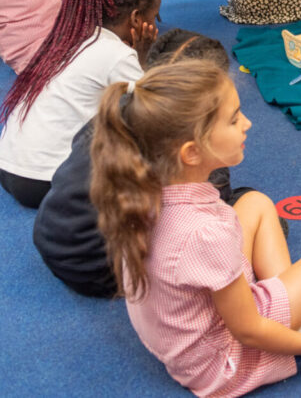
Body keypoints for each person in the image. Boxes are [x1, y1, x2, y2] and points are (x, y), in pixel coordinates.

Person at [91, 61, 301, 396]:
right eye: (234, 119)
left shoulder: (139, 192)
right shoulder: (205, 232)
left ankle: (295, 306)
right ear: (192, 152)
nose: (248, 123)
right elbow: (248, 331)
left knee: (256, 203)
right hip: (221, 361)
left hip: (180, 339)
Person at [33, 29, 253, 298]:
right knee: (248, 212)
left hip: (52, 242)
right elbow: (207, 216)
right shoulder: (185, 145)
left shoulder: (117, 111)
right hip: (105, 270)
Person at [0, 0, 159, 208]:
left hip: (8, 168)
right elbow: (152, 105)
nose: (155, 25)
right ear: (135, 19)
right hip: (50, 182)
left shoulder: (65, 38)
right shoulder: (116, 53)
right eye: (153, 17)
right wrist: (143, 57)